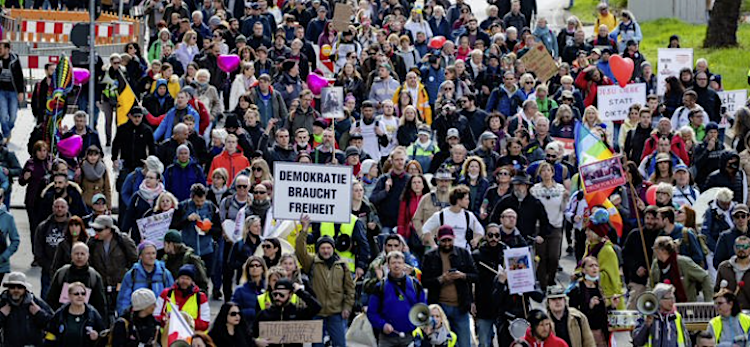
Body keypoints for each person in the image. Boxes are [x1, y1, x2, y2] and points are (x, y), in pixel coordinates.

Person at [295, 215, 355, 347]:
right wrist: (304, 229)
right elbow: (300, 250)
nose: (326, 250)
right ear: (318, 249)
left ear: (333, 249)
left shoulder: (343, 266)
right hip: (317, 313)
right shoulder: (311, 263)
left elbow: (350, 290)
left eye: (328, 248)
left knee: (340, 344)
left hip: (336, 314)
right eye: (323, 248)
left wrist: (347, 307)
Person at [421, 225, 478, 347]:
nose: (447, 243)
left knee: (464, 343)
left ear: (454, 239)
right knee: (440, 343)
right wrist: (441, 279)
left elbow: (476, 276)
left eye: (449, 240)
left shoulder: (463, 254)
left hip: (461, 306)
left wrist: (462, 276)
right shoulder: (429, 257)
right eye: (444, 240)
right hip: (440, 308)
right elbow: (424, 282)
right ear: (438, 240)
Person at [367, 250, 427, 346]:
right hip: (387, 338)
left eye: (399, 263)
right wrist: (382, 325)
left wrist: (417, 325)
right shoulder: (380, 286)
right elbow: (371, 312)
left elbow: (423, 308)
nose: (396, 265)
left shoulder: (415, 285)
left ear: (404, 265)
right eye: (393, 263)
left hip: (410, 336)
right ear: (388, 265)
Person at [87, 215, 138, 320]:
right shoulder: (92, 243)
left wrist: (127, 277)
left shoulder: (123, 240)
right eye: (95, 229)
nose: (96, 232)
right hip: (101, 284)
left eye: (99, 229)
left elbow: (134, 260)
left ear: (109, 229)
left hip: (121, 284)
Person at [253, 278, 321, 347]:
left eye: (281, 295)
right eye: (275, 294)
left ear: (290, 295)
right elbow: (249, 335)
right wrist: (256, 341)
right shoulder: (264, 314)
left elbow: (316, 307)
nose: (277, 298)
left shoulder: (297, 312)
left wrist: (299, 292)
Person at [116, 241, 175, 316]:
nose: (151, 257)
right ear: (140, 256)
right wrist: (125, 317)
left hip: (160, 317)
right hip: (138, 318)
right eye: (148, 254)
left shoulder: (165, 274)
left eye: (153, 253)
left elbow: (172, 297)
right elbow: (124, 300)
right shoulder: (131, 275)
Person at [43, 281, 106, 347]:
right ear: (69, 296)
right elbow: (50, 335)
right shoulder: (60, 314)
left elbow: (104, 336)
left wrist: (97, 337)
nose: (80, 296)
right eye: (76, 294)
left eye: (83, 293)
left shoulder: (93, 314)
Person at [650, 236, 713, 302]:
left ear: (662, 250)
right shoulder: (656, 264)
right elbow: (651, 284)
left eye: (655, 248)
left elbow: (704, 277)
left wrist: (708, 300)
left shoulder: (683, 262)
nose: (654, 251)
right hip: (663, 306)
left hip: (685, 305)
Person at [421, 185, 485, 250]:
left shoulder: (469, 215)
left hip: (463, 254)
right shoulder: (441, 215)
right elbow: (425, 228)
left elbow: (481, 231)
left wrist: (476, 239)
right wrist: (433, 245)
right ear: (458, 200)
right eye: (466, 199)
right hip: (445, 252)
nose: (468, 201)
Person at [0, 272, 54, 346]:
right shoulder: (2, 303)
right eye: (12, 287)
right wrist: (1, 315)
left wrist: (39, 313)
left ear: (25, 288)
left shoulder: (35, 303)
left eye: (20, 287)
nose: (16, 290)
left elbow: (53, 324)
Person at [622, 206, 660, 309]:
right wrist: (636, 267)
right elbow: (625, 255)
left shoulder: (660, 235)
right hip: (637, 280)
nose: (650, 221)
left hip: (656, 281)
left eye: (652, 219)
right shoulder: (635, 234)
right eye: (647, 218)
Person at [155, 265, 211, 332]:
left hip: (192, 337)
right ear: (177, 279)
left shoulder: (201, 297)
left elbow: (205, 323)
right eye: (182, 278)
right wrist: (164, 320)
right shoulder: (166, 293)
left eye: (187, 279)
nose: (184, 281)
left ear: (192, 281)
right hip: (167, 336)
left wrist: (185, 322)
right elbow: (156, 315)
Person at [34, 198, 70, 299]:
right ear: (52, 208)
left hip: (67, 270)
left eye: (62, 207)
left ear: (67, 208)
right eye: (57, 206)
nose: (59, 209)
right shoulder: (43, 226)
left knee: (66, 299)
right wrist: (45, 263)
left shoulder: (73, 226)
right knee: (47, 298)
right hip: (48, 269)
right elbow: (38, 247)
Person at [370, 147, 411, 234]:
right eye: (397, 160)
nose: (400, 162)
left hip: (404, 223)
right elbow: (373, 199)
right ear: (391, 161)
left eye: (402, 159)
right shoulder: (383, 179)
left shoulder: (410, 180)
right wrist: (385, 191)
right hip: (386, 223)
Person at [0, 40, 24, 141]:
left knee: (13, 116)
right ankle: (5, 135)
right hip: (1, 91)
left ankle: (7, 131)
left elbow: (19, 76)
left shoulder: (14, 59)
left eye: (1, 49)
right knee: (3, 115)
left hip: (13, 91)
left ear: (7, 49)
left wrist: (21, 92)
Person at [714, 204, 750, 270]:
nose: (740, 219)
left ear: (748, 217)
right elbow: (717, 261)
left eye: (743, 216)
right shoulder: (725, 237)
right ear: (733, 218)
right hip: (733, 274)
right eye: (737, 216)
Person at [229, 256, 266, 320]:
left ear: (262, 269)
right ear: (247, 269)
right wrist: (254, 312)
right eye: (251, 266)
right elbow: (234, 310)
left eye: (257, 265)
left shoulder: (268, 289)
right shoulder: (240, 290)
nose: (254, 267)